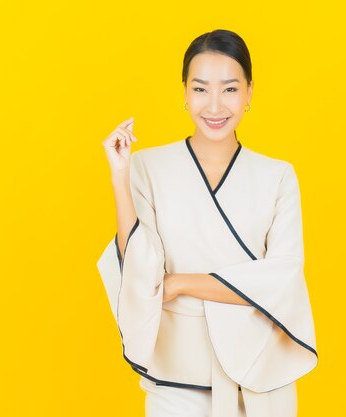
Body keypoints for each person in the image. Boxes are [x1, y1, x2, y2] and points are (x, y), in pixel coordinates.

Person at [97, 29, 319, 417]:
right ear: (184, 93)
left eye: (230, 89)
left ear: (249, 92)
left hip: (261, 376)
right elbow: (140, 274)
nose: (214, 105)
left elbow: (283, 279)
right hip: (177, 374)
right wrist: (120, 175)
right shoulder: (147, 168)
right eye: (200, 89)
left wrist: (181, 283)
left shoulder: (279, 176)